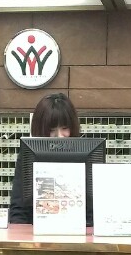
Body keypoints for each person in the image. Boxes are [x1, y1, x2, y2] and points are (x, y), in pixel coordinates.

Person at [8, 92, 81, 224]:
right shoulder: (28, 154)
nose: (59, 136)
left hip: (77, 228)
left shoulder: (84, 153)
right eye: (52, 130)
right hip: (35, 229)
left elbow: (93, 208)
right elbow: (18, 208)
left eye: (65, 128)